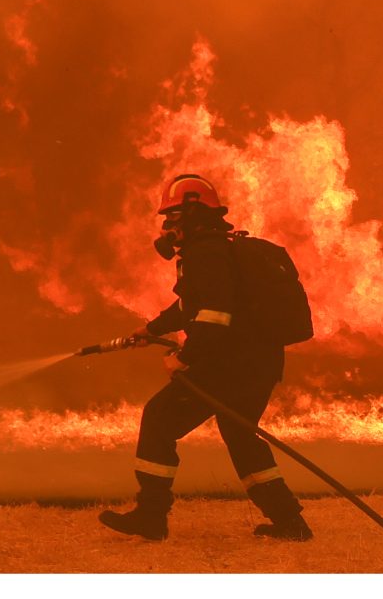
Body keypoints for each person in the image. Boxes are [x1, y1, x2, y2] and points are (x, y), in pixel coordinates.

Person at [98, 174, 313, 542]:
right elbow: (191, 304)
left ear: (193, 213)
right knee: (240, 437)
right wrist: (152, 329)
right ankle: (290, 521)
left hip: (229, 366)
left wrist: (185, 358)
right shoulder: (218, 249)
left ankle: (151, 514)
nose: (167, 227)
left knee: (159, 418)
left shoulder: (205, 253)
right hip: (258, 364)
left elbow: (214, 315)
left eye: (173, 217)